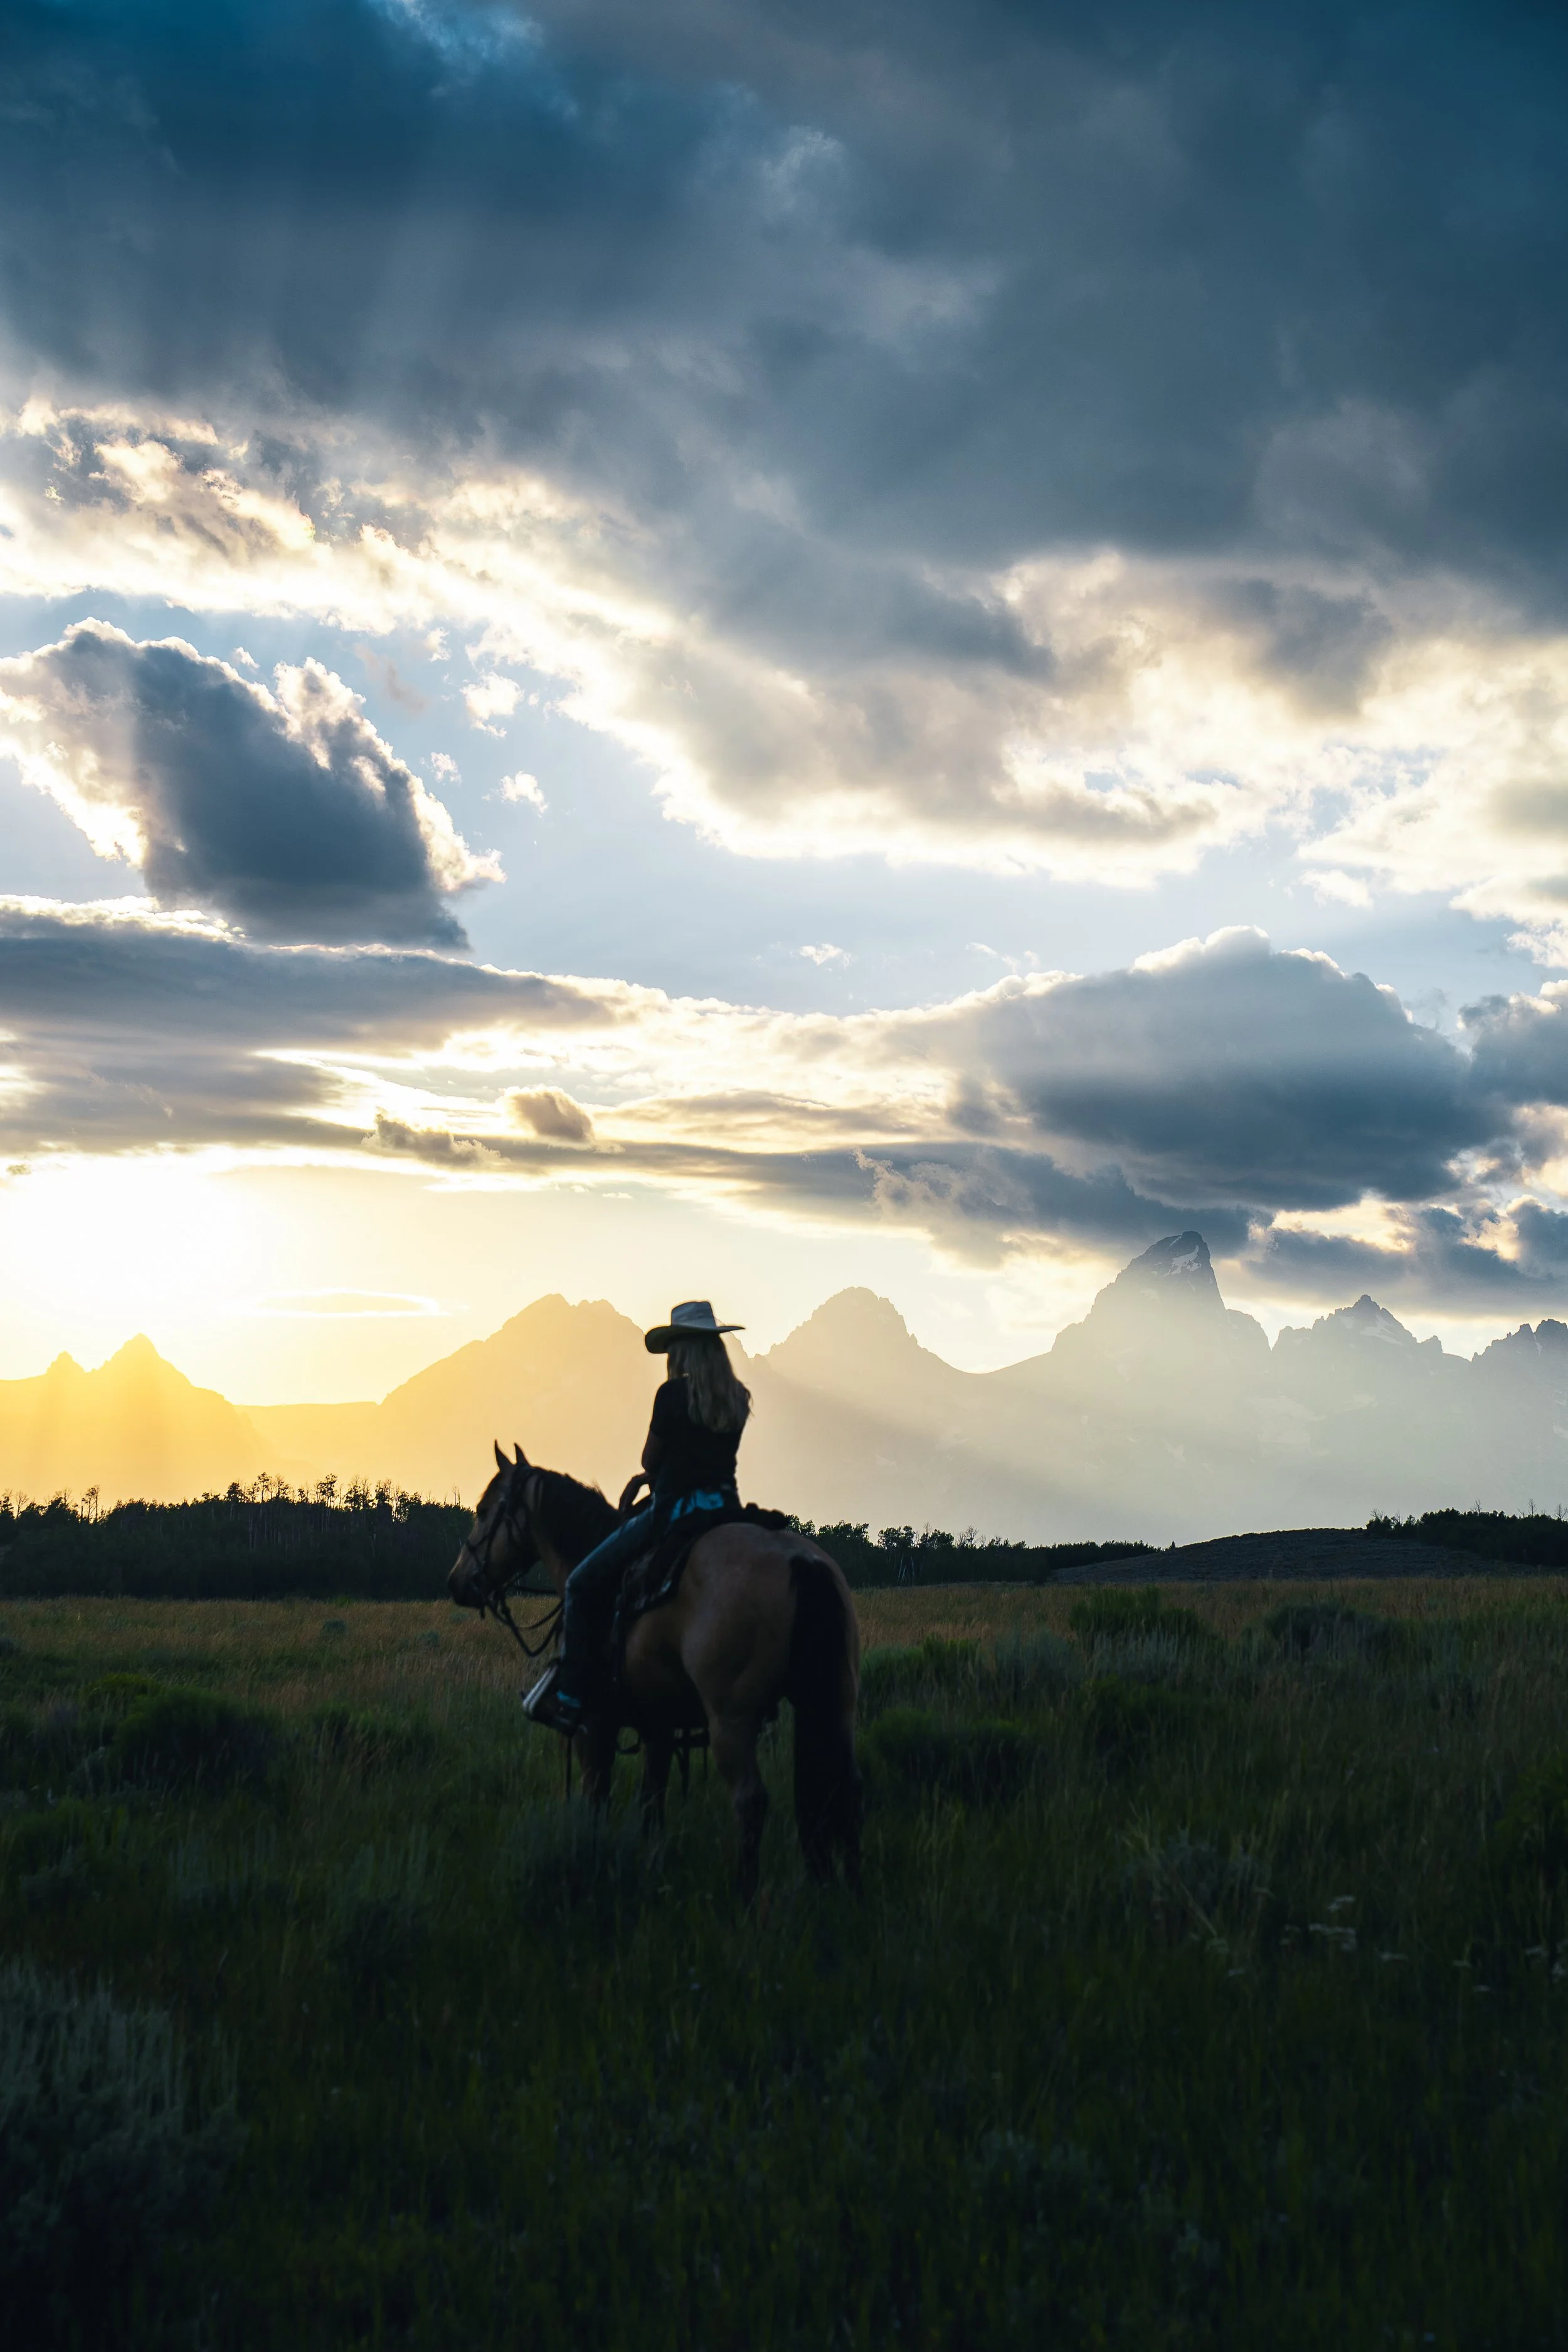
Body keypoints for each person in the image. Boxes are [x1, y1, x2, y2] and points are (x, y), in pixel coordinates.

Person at [523, 1300, 751, 1733]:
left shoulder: (671, 1396)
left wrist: (648, 1478)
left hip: (674, 1515)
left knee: (581, 1583)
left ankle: (571, 1696)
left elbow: (652, 1457)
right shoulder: (738, 1398)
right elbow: (710, 1461)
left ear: (681, 1350)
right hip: (727, 1512)